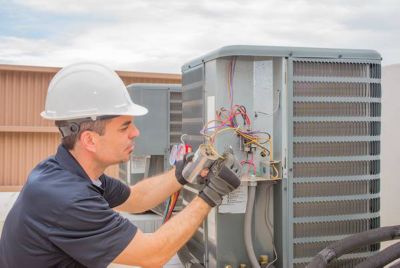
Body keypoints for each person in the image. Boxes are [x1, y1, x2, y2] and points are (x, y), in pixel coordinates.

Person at [0, 62, 241, 268]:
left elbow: (136, 198)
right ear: (89, 140)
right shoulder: (67, 199)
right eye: (125, 127)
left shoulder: (67, 172)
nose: (135, 133)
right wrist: (211, 195)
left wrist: (182, 173)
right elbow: (152, 253)